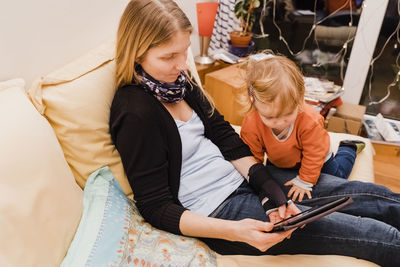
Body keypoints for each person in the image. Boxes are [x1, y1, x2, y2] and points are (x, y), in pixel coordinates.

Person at [109, 1, 400, 266]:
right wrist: (237, 232)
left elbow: (226, 139)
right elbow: (156, 207)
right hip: (218, 209)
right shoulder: (134, 112)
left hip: (242, 181)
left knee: (371, 197)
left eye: (185, 50)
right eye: (168, 56)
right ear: (137, 52)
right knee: (374, 235)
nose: (182, 63)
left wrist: (267, 188)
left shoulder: (178, 83)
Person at [240, 55, 365, 202]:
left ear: (300, 101)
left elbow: (314, 154)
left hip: (316, 156)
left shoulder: (309, 120)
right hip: (280, 159)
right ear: (255, 104)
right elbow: (253, 158)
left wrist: (305, 180)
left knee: (338, 178)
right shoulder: (251, 123)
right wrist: (256, 181)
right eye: (270, 118)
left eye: (287, 115)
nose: (279, 123)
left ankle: (348, 148)